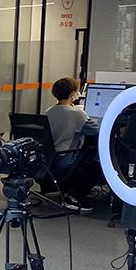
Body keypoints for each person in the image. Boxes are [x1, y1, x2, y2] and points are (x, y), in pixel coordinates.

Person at [46, 77, 99, 211]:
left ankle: (67, 191)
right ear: (72, 94)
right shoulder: (77, 114)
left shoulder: (49, 111)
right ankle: (74, 197)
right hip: (65, 159)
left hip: (49, 159)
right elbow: (96, 131)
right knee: (95, 165)